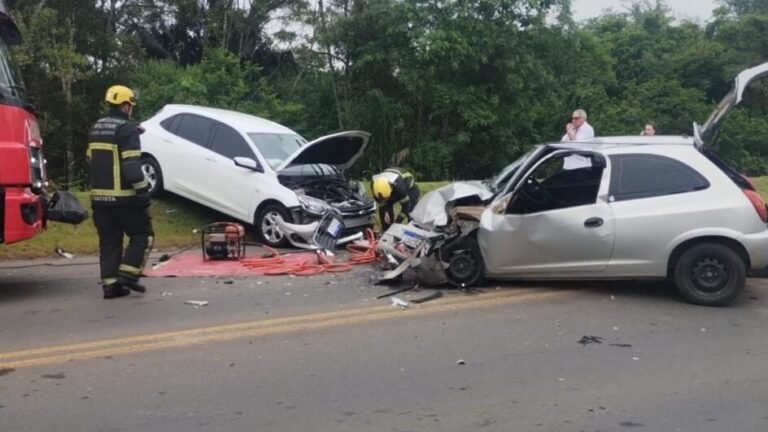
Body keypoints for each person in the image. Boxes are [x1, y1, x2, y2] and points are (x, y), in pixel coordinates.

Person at [87, 85, 154, 299]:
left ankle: (111, 286)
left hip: (99, 199)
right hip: (125, 199)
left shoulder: (95, 128)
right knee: (143, 235)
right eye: (131, 105)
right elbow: (131, 167)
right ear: (126, 106)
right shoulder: (127, 130)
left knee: (109, 242)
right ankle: (129, 275)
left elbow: (90, 159)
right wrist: (143, 193)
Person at [371, 168, 420, 232]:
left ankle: (412, 231)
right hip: (391, 185)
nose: (386, 200)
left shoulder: (400, 189)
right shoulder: (374, 185)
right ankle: (386, 230)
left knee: (411, 212)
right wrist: (385, 211)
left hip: (410, 189)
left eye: (386, 198)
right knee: (383, 211)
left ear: (391, 190)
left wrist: (397, 222)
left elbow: (406, 207)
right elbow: (381, 202)